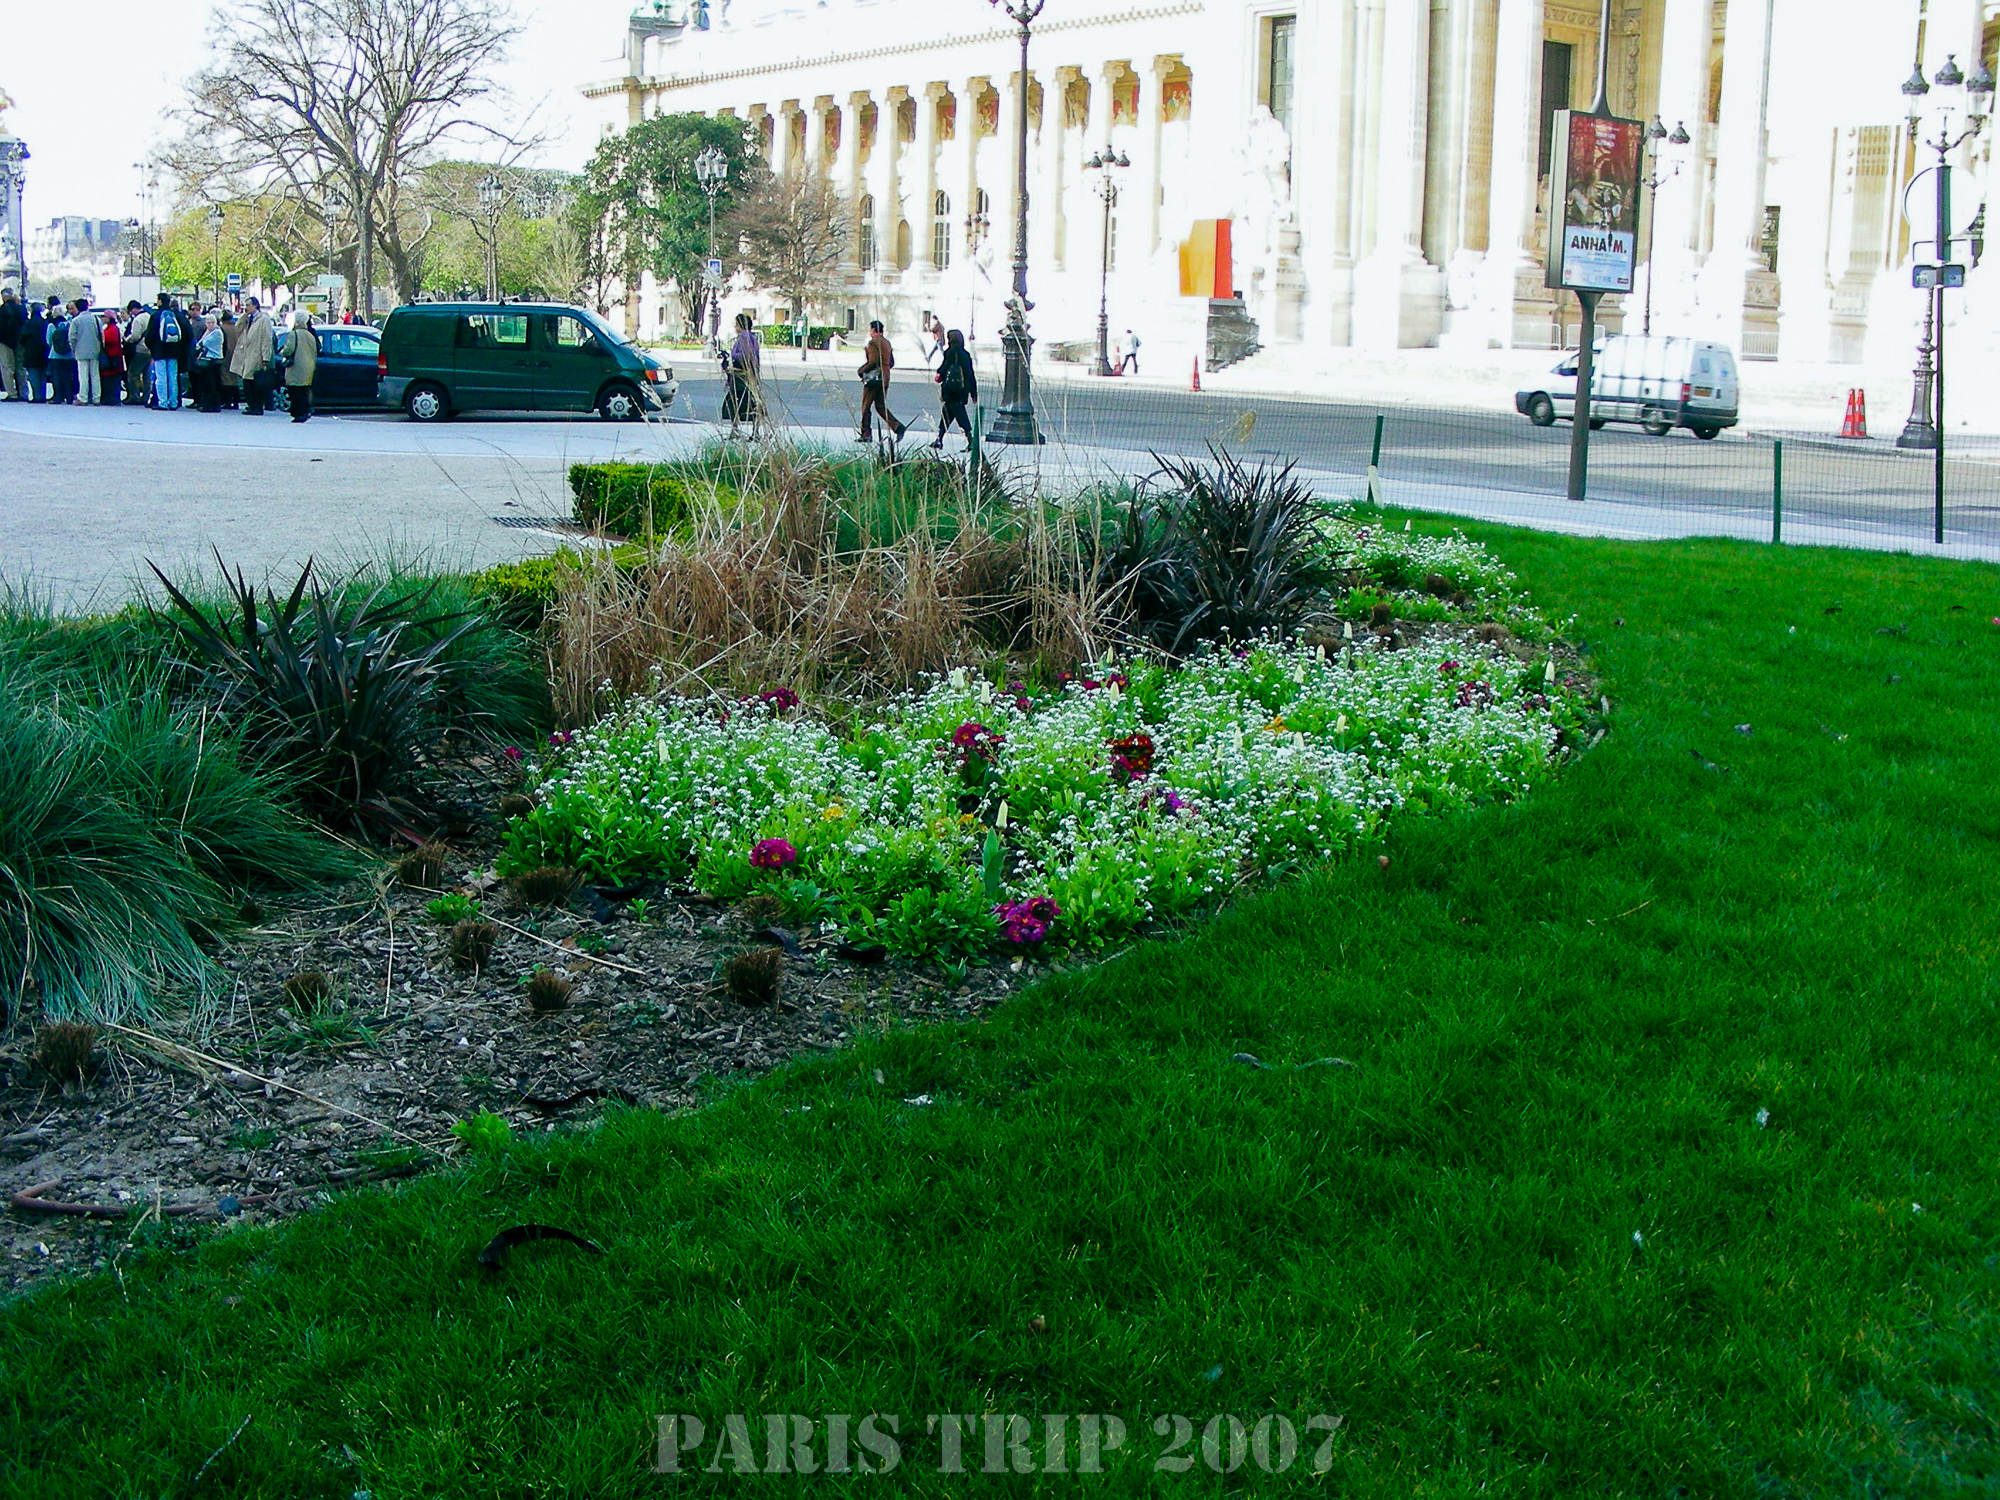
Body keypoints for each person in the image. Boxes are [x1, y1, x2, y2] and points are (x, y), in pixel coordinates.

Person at [856, 318, 906, 444]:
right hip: (885, 378)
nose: (870, 332)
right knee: (880, 406)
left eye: (870, 330)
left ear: (873, 330)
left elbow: (873, 361)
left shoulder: (873, 343)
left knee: (866, 406)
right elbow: (892, 362)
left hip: (874, 379)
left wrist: (861, 370)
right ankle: (897, 427)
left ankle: (866, 433)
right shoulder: (886, 343)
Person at [930, 328, 977, 451]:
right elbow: (970, 374)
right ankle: (939, 439)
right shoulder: (965, 355)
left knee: (958, 415)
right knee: (947, 414)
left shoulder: (949, 353)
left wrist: (939, 373)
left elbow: (944, 368)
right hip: (961, 390)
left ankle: (970, 441)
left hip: (950, 390)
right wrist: (973, 393)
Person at [231, 296, 275, 415]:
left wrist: (266, 357)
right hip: (246, 353)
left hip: (257, 354)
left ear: (255, 306)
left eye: (248, 305)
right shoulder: (248, 319)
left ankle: (257, 406)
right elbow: (237, 328)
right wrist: (244, 316)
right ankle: (251, 405)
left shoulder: (263, 319)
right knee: (247, 381)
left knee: (255, 381)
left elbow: (267, 339)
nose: (246, 308)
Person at [721, 311, 762, 438]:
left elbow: (745, 355)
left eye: (736, 324)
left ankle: (735, 430)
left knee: (735, 402)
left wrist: (730, 355)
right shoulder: (752, 337)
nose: (735, 327)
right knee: (754, 402)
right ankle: (755, 431)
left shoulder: (744, 337)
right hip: (751, 374)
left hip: (741, 375)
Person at [145, 293, 187, 409]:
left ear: (160, 301)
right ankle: (173, 402)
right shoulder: (175, 315)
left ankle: (162, 402)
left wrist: (152, 348)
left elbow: (149, 335)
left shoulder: (156, 315)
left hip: (159, 350)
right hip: (174, 350)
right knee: (173, 377)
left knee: (161, 376)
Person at [280, 311, 318, 422]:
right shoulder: (310, 335)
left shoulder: (294, 334)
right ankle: (305, 411)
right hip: (309, 366)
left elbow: (288, 350)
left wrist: (283, 352)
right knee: (304, 390)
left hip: (297, 366)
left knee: (295, 390)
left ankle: (298, 413)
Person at [67, 297, 103, 406]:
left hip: (81, 350)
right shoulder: (96, 319)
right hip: (95, 349)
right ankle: (96, 397)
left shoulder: (76, 320)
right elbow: (101, 335)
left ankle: (83, 397)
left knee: (83, 375)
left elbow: (72, 337)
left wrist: (74, 348)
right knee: (95, 375)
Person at [192, 313, 226, 412]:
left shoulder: (217, 332)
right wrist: (206, 333)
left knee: (212, 384)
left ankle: (212, 405)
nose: (210, 324)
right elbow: (198, 345)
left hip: (214, 361)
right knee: (206, 384)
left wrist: (204, 337)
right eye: (208, 322)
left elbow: (203, 343)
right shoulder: (209, 332)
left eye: (212, 322)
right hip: (207, 361)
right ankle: (207, 404)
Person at [122, 301, 152, 406]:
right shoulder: (149, 316)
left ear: (134, 309)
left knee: (133, 373)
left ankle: (134, 396)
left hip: (140, 349)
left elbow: (135, 336)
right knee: (147, 375)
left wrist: (127, 339)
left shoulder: (138, 319)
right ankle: (146, 396)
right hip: (149, 349)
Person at [18, 299, 47, 402]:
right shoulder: (45, 322)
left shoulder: (29, 323)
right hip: (43, 350)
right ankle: (42, 395)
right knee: (42, 374)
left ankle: (37, 395)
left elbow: (22, 337)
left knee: (33, 373)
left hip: (31, 350)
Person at [46, 299, 74, 404]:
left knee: (56, 377)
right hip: (69, 355)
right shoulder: (69, 324)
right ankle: (69, 397)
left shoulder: (51, 325)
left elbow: (48, 340)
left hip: (55, 355)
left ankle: (58, 397)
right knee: (68, 377)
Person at [97, 304, 125, 405]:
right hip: (112, 357)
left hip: (111, 357)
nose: (103, 318)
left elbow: (109, 341)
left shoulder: (112, 329)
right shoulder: (110, 328)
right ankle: (111, 398)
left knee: (111, 379)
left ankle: (112, 398)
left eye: (104, 316)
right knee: (111, 379)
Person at [0, 287, 23, 400]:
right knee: (20, 367)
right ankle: (24, 393)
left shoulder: (2, 310)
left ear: (3, 297)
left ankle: (12, 393)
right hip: (20, 340)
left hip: (5, 341)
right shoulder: (21, 309)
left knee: (7, 367)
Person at [218, 308, 242, 408]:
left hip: (226, 354)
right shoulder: (236, 328)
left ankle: (227, 402)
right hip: (236, 354)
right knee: (235, 378)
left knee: (225, 378)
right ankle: (236, 402)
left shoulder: (222, 328)